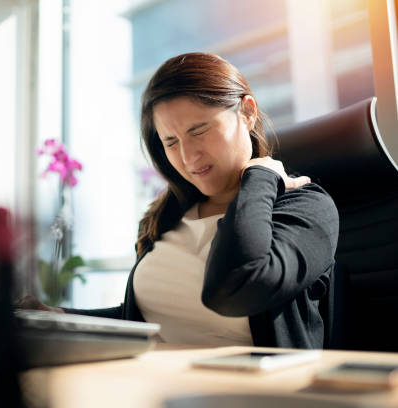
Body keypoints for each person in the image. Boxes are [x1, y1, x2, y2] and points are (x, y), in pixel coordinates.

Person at [18, 52, 339, 349]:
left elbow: (235, 289)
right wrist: (58, 316)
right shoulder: (167, 215)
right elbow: (150, 321)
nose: (188, 157)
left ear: (247, 112)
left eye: (199, 130)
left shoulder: (307, 207)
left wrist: (260, 177)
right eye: (171, 141)